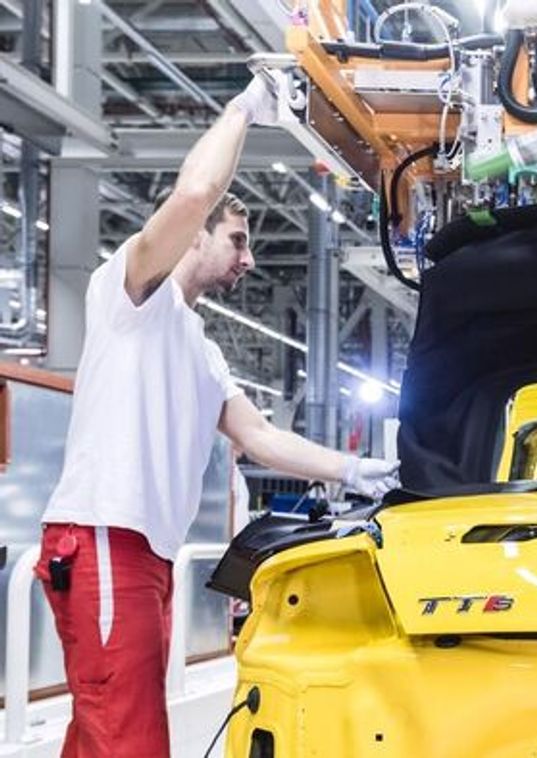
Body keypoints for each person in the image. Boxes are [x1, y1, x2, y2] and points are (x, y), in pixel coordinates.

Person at [33, 74, 401, 757]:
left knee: (103, 730)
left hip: (146, 553)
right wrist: (244, 108)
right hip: (106, 536)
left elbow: (258, 435)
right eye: (237, 240)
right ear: (193, 239)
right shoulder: (130, 297)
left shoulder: (201, 349)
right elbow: (196, 193)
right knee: (130, 739)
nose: (249, 258)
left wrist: (359, 470)